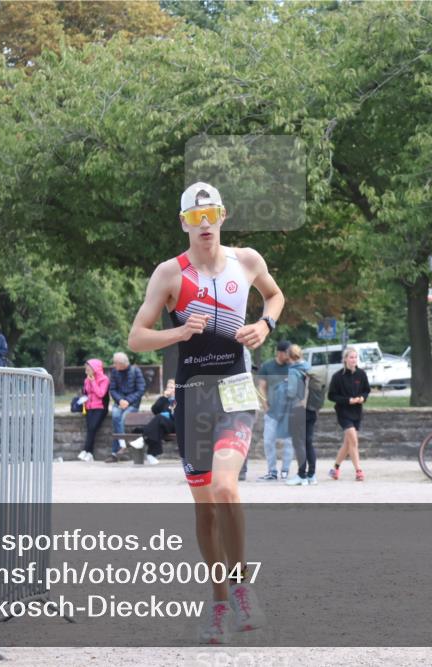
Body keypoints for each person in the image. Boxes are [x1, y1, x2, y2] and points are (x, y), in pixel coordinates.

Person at [128, 181, 283, 644]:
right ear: (184, 223)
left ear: (222, 216)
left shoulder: (247, 260)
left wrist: (264, 324)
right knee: (205, 512)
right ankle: (218, 603)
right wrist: (178, 334)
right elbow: (137, 337)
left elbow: (274, 296)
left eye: (210, 215)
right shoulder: (169, 274)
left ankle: (240, 587)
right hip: (193, 396)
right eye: (195, 218)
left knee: (225, 487)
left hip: (235, 389)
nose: (204, 225)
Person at [327, 347, 370, 482]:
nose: (353, 360)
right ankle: (359, 470)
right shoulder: (337, 376)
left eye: (355, 357)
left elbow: (366, 390)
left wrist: (362, 398)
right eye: (351, 357)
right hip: (343, 412)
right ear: (345, 359)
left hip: (357, 412)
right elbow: (331, 396)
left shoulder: (361, 374)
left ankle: (335, 468)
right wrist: (348, 400)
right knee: (354, 440)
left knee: (348, 443)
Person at [256, 341, 294, 481]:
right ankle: (272, 471)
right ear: (280, 352)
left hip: (288, 411)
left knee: (289, 442)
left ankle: (285, 470)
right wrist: (265, 405)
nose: (290, 355)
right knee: (268, 441)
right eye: (287, 352)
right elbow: (261, 387)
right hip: (272, 411)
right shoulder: (267, 366)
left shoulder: (292, 366)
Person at [285, 345, 317, 486]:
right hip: (311, 409)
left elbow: (292, 393)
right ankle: (312, 475)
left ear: (289, 356)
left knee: (299, 443)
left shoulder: (293, 371)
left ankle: (301, 475)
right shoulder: (309, 367)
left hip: (297, 409)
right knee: (308, 442)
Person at [106, 352, 146, 463]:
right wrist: (120, 400)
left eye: (115, 363)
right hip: (119, 403)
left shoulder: (135, 371)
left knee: (123, 418)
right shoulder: (114, 372)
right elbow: (112, 389)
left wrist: (128, 401)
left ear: (122, 363)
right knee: (115, 416)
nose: (114, 365)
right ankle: (122, 445)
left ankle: (116, 451)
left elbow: (141, 389)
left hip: (132, 404)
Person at [78, 359, 110, 462]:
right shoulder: (86, 379)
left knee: (92, 428)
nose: (86, 370)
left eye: (88, 368)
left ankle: (86, 450)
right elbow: (87, 392)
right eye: (86, 368)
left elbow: (101, 393)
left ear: (95, 369)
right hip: (89, 407)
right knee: (90, 429)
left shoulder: (104, 379)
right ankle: (89, 453)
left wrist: (92, 381)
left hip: (100, 408)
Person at [139, 379, 176, 465]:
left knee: (159, 418)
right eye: (168, 387)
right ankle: (151, 455)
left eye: (172, 387)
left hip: (175, 425)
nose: (169, 389)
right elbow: (155, 410)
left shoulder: (180, 399)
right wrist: (164, 397)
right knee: (157, 426)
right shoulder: (164, 399)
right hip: (163, 425)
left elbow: (177, 416)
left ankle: (143, 438)